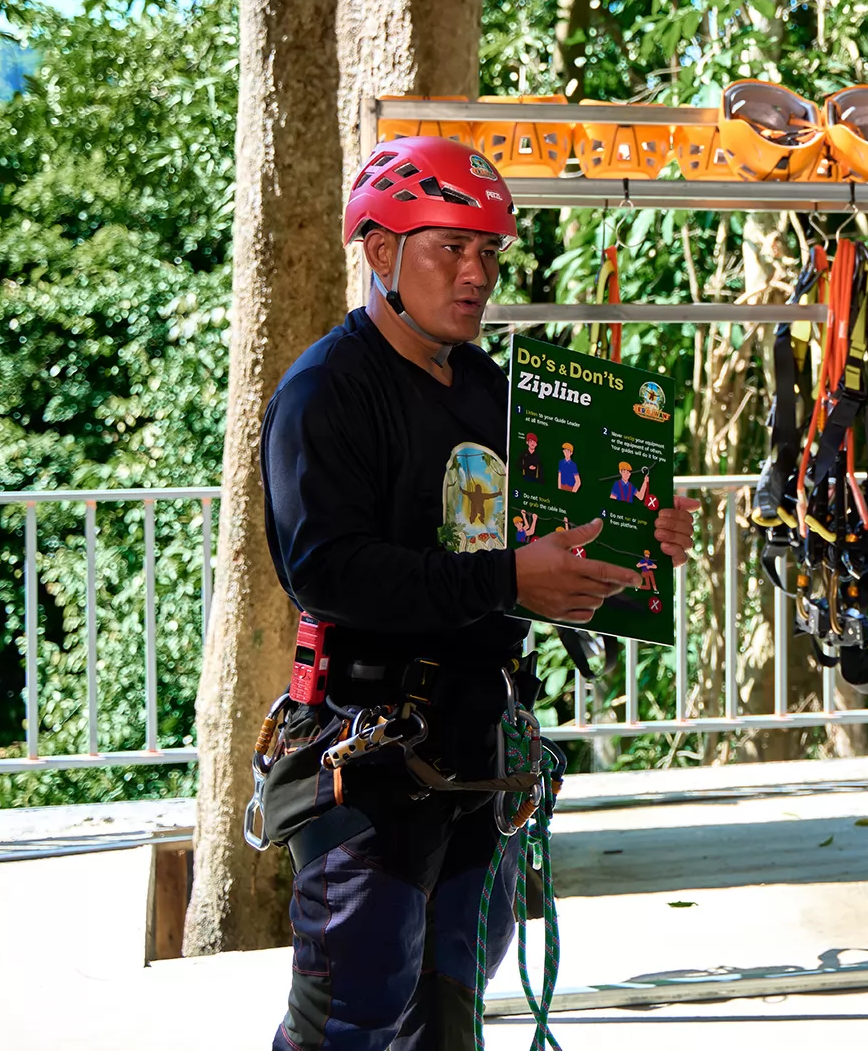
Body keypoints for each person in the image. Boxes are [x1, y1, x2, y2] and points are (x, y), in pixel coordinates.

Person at [253, 133, 700, 1051]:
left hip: (478, 745)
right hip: (367, 750)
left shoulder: (490, 392)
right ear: (381, 250)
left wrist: (634, 545)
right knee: (352, 1010)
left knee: (448, 1013)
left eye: (489, 251)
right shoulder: (326, 391)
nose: (477, 273)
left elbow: (542, 546)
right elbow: (325, 570)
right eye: (450, 246)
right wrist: (509, 577)